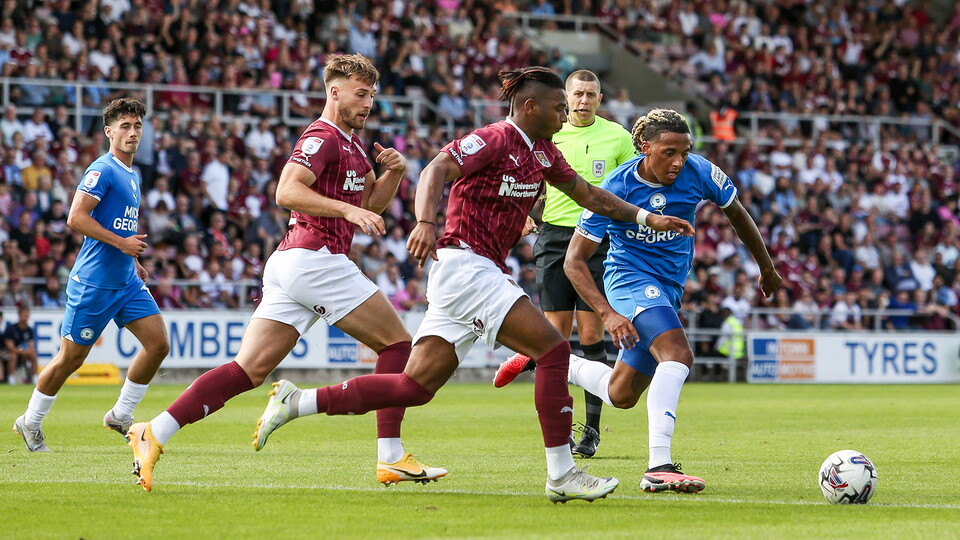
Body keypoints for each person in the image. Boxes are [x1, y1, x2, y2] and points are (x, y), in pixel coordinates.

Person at [250, 67, 694, 504]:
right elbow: (436, 169)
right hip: (467, 265)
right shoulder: (496, 138)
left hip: (472, 274)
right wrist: (425, 222)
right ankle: (562, 473)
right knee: (553, 349)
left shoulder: (543, 152)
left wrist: (647, 217)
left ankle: (298, 401)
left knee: (414, 388)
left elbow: (591, 197)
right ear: (530, 106)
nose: (565, 116)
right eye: (559, 107)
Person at [126, 54, 445, 492]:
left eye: (371, 94)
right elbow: (287, 190)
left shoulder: (353, 145)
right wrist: (348, 210)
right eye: (361, 93)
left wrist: (394, 173)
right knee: (397, 345)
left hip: (294, 263)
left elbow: (369, 205)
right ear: (334, 92)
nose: (368, 102)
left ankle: (154, 431)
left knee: (247, 370)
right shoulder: (322, 136)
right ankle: (389, 455)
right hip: (316, 258)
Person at [499, 109, 780, 494]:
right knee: (678, 354)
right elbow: (574, 261)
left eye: (684, 151)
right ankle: (658, 466)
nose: (679, 161)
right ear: (645, 148)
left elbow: (738, 214)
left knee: (621, 394)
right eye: (669, 152)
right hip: (628, 280)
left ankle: (547, 358)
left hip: (668, 288)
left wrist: (766, 268)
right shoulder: (616, 186)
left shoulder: (700, 171)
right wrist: (608, 314)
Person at [13, 98, 171, 453]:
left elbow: (118, 223)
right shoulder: (102, 169)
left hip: (125, 281)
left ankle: (121, 414)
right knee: (71, 359)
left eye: (137, 126)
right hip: (94, 283)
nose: (133, 133)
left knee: (158, 343)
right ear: (109, 132)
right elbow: (76, 218)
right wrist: (122, 243)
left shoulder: (132, 174)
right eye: (125, 126)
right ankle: (30, 421)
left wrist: (131, 259)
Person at [493, 70, 636, 458]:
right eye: (578, 94)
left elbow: (630, 186)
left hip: (597, 240)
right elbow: (526, 177)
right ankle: (561, 425)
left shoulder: (618, 137)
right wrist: (522, 211)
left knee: (591, 335)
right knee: (552, 338)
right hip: (555, 237)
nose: (584, 100)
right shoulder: (548, 132)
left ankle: (591, 430)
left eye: (591, 94)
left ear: (600, 99)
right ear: (567, 97)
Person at [4, 305, 37, 385]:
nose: (25, 317)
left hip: (21, 352)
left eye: (27, 315)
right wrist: (24, 352)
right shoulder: (11, 329)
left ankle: (35, 377)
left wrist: (29, 352)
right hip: (8, 353)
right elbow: (9, 347)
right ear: (19, 316)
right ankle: (11, 378)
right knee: (13, 356)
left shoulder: (29, 330)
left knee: (33, 355)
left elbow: (31, 345)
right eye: (24, 315)